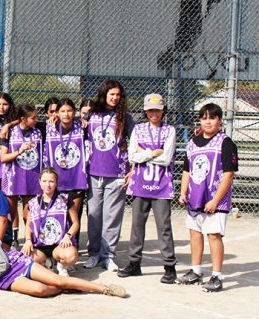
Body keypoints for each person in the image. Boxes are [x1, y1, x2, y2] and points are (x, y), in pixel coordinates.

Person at [0, 213, 126, 298]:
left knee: (58, 280)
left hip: (15, 265)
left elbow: (3, 264)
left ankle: (104, 288)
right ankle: (67, 288)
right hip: (3, 281)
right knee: (40, 291)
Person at [177, 103, 238, 293]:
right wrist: (183, 192)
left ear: (220, 120)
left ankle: (217, 275)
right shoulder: (193, 143)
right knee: (195, 233)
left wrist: (215, 200)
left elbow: (228, 174)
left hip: (214, 198)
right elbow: (187, 170)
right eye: (204, 117)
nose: (208, 121)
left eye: (212, 117)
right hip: (195, 197)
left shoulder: (225, 142)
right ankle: (196, 271)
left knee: (213, 236)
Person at [119, 93, 178, 283]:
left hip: (161, 185)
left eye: (158, 110)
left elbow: (167, 158)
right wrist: (152, 152)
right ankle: (134, 263)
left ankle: (169, 266)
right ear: (145, 111)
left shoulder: (169, 130)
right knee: (137, 225)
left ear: (163, 111)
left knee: (164, 226)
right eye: (150, 110)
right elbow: (131, 157)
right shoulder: (138, 129)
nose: (154, 113)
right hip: (140, 184)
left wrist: (142, 154)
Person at [84, 80, 134, 271]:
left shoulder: (125, 118)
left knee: (112, 216)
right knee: (94, 214)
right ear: (104, 94)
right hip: (93, 172)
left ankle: (108, 255)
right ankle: (94, 253)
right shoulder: (92, 114)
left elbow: (136, 143)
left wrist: (132, 168)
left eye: (118, 95)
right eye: (112, 94)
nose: (115, 98)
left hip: (117, 173)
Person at [43, 98, 88, 244]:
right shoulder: (49, 128)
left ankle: (73, 247)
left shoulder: (81, 127)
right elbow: (26, 120)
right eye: (62, 111)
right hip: (57, 181)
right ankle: (55, 248)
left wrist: (84, 119)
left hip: (76, 180)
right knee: (58, 216)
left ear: (74, 112)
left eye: (69, 110)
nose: (66, 114)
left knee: (74, 217)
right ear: (57, 113)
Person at [21, 168, 80, 277]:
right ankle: (48, 262)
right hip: (39, 245)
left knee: (71, 256)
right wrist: (28, 240)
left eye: (51, 181)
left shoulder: (65, 200)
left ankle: (61, 265)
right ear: (39, 182)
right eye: (44, 181)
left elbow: (76, 223)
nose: (48, 185)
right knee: (22, 262)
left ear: (56, 182)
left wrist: (68, 236)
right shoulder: (33, 203)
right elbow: (29, 225)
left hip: (60, 244)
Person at [0, 103, 44, 246]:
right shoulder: (10, 132)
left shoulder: (38, 131)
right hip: (13, 176)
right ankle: (14, 239)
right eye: (33, 118)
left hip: (32, 177)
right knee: (12, 211)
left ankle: (30, 240)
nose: (36, 120)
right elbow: (3, 158)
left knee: (29, 213)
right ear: (23, 119)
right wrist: (19, 151)